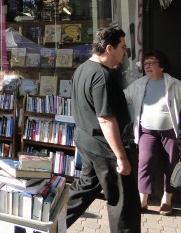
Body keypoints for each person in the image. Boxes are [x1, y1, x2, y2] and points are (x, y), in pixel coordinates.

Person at [66, 26, 141, 233]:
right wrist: (122, 157)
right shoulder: (102, 77)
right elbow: (106, 119)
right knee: (124, 204)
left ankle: (51, 223)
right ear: (109, 48)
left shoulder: (82, 69)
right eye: (123, 47)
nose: (125, 52)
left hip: (87, 143)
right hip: (105, 148)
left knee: (84, 189)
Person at [123, 50, 181, 215]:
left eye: (152, 63)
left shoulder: (174, 84)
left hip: (170, 133)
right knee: (145, 163)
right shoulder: (140, 84)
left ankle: (167, 200)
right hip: (147, 132)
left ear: (161, 66)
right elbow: (124, 97)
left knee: (171, 165)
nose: (147, 66)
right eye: (145, 63)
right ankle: (143, 200)